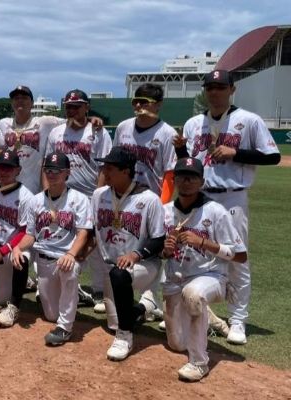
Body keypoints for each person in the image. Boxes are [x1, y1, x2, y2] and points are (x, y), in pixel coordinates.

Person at [178, 69, 280, 345]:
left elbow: (273, 156)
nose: (214, 91)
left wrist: (236, 152)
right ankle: (190, 309)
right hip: (199, 196)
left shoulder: (248, 120)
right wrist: (179, 150)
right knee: (189, 252)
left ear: (232, 89)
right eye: (210, 87)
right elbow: (188, 164)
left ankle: (237, 320)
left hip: (232, 196)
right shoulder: (193, 124)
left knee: (236, 258)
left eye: (220, 86)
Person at [160, 157, 247, 382]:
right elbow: (158, 253)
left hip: (211, 277)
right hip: (174, 280)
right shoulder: (166, 211)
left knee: (194, 294)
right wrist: (166, 250)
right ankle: (210, 319)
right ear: (175, 180)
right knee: (176, 344)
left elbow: (240, 255)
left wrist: (204, 243)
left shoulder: (216, 212)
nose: (186, 181)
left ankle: (199, 362)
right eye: (181, 176)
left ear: (202, 181)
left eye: (192, 177)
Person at [91, 146, 166, 361]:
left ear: (126, 171)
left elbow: (159, 239)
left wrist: (135, 255)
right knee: (115, 321)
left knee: (120, 275)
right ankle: (145, 306)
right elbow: (91, 230)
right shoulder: (99, 195)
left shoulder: (149, 199)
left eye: (110, 167)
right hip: (110, 267)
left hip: (143, 266)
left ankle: (125, 337)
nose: (105, 171)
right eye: (104, 166)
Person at [113, 83, 178, 321]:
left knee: (152, 250)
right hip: (124, 197)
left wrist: (161, 205)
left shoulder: (167, 133)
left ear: (158, 105)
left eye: (145, 102)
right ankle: (139, 299)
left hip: (152, 198)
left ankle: (152, 299)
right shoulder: (123, 128)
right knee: (123, 246)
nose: (139, 106)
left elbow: (170, 173)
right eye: (135, 101)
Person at [12, 152, 92, 344]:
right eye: (48, 169)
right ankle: (74, 295)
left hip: (66, 256)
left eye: (57, 170)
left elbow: (83, 232)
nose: (52, 174)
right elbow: (30, 235)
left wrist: (72, 253)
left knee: (69, 270)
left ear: (67, 173)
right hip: (44, 259)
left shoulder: (79, 199)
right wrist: (16, 248)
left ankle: (65, 328)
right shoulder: (36, 200)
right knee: (50, 315)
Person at [45, 88, 113, 313]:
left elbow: (104, 166)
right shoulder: (56, 133)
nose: (72, 110)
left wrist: (98, 197)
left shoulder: (98, 132)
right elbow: (47, 165)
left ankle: (98, 290)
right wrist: (48, 196)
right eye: (69, 106)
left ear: (87, 106)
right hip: (63, 195)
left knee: (95, 243)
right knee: (60, 238)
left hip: (89, 194)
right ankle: (61, 284)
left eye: (77, 106)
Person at [0, 150, 36, 327]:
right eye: (0, 167)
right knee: (2, 298)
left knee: (22, 258)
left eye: (8, 168)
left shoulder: (26, 196)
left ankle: (15, 307)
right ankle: (22, 283)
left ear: (18, 170)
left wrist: (3, 251)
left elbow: (25, 231)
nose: (3, 172)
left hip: (14, 248)